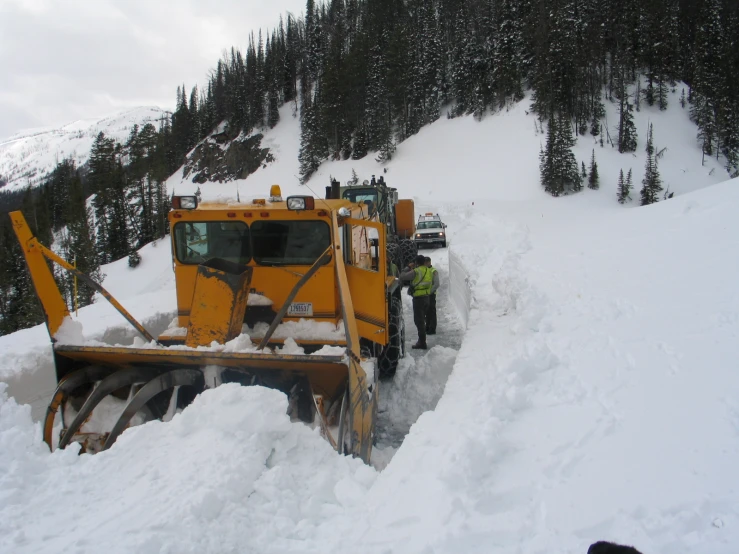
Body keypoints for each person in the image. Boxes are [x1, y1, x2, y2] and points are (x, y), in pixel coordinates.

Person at [399, 254, 434, 349]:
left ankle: (422, 342)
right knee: (423, 320)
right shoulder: (429, 270)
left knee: (419, 321)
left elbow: (402, 276)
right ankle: (422, 340)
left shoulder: (416, 271)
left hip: (419, 299)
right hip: (427, 297)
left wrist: (408, 267)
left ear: (417, 263)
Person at [424, 256, 439, 335]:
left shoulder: (434, 271)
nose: (425, 264)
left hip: (431, 294)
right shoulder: (425, 270)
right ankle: (428, 326)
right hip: (425, 294)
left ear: (429, 262)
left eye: (427, 262)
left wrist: (429, 291)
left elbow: (436, 284)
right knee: (427, 311)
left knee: (432, 311)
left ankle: (432, 328)